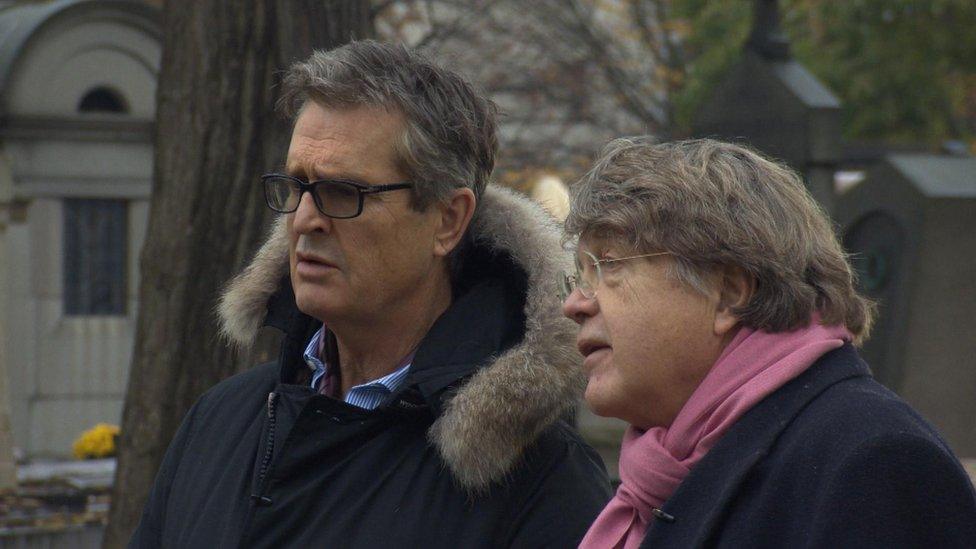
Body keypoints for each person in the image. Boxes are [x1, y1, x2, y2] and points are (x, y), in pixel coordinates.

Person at [130, 40, 611, 548]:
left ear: (448, 221)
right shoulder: (219, 420)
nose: (304, 220)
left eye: (344, 193)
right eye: (296, 187)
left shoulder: (536, 476)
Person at [561, 138, 976, 548]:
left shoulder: (875, 463)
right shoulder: (661, 478)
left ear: (728, 293)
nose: (574, 304)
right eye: (580, 275)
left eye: (608, 265)